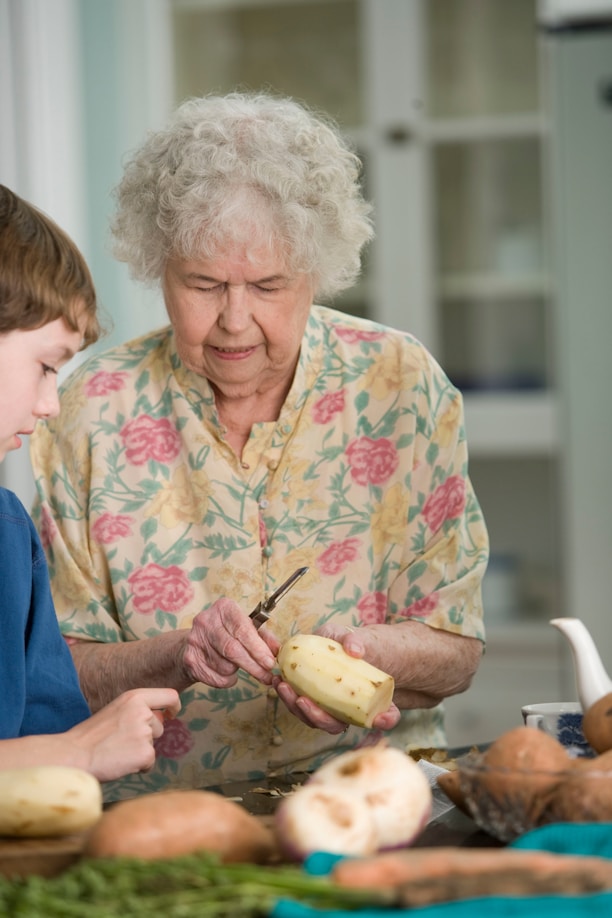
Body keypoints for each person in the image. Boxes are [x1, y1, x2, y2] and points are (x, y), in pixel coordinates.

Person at [30, 92, 489, 801]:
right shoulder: (87, 408)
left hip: (380, 800)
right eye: (204, 284)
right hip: (164, 817)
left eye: (269, 285)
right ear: (159, 270)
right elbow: (57, 677)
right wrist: (178, 652)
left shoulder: (400, 383)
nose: (235, 321)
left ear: (318, 272)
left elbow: (456, 648)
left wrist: (372, 655)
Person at [0, 184, 180, 781]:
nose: (52, 404)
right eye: (47, 366)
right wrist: (77, 751)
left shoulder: (8, 533)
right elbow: (60, 753)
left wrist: (81, 744)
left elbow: (45, 745)